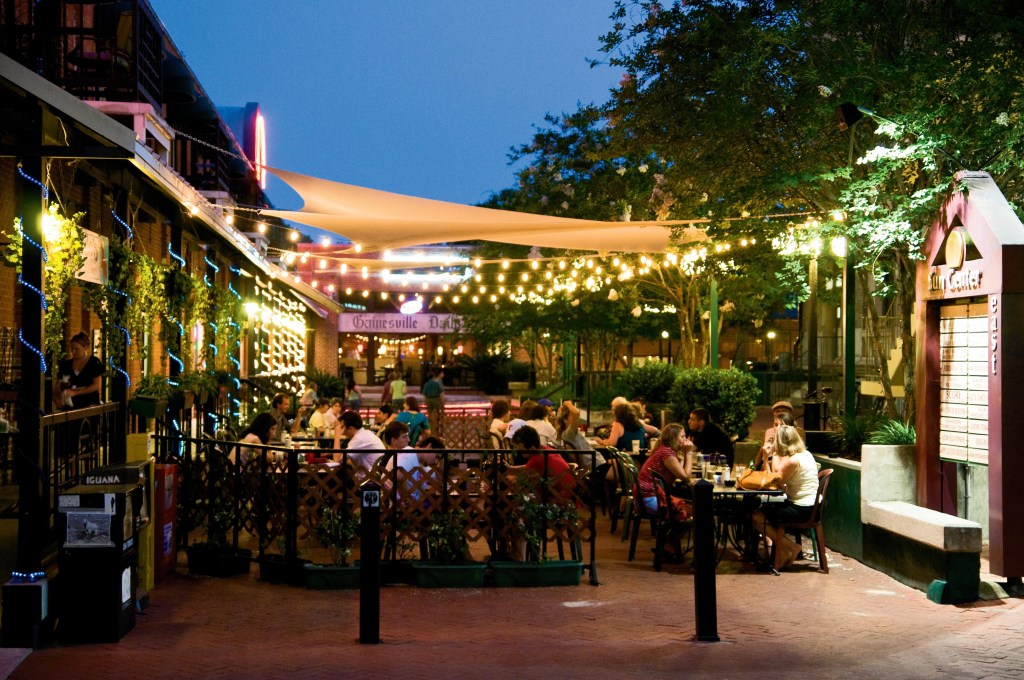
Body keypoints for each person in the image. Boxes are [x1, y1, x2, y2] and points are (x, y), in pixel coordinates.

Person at [751, 424, 819, 569]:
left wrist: (766, 458)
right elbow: (780, 480)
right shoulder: (806, 454)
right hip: (813, 506)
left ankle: (791, 547)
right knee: (764, 509)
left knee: (757, 517)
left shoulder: (793, 461)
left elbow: (775, 483)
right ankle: (785, 550)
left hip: (803, 509)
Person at [636, 422, 695, 561]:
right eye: (682, 436)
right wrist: (689, 452)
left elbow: (680, 472)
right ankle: (667, 546)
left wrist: (684, 453)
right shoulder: (666, 453)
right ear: (673, 437)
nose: (685, 439)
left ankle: (667, 546)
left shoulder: (665, 450)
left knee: (691, 509)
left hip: (648, 496)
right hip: (651, 499)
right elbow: (685, 476)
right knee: (693, 513)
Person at [57, 331, 103, 409]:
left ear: (85, 347)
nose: (73, 352)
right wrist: (57, 397)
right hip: (70, 407)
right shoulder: (66, 365)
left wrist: (75, 392)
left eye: (76, 349)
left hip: (89, 406)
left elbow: (96, 385)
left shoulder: (93, 362)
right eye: (72, 349)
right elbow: (57, 386)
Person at [554, 400, 604, 470]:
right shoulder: (569, 432)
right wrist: (568, 403)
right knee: (618, 464)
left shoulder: (566, 433)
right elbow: (576, 413)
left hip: (595, 462)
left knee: (616, 462)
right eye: (571, 415)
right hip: (595, 464)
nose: (575, 419)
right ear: (565, 420)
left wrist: (560, 412)